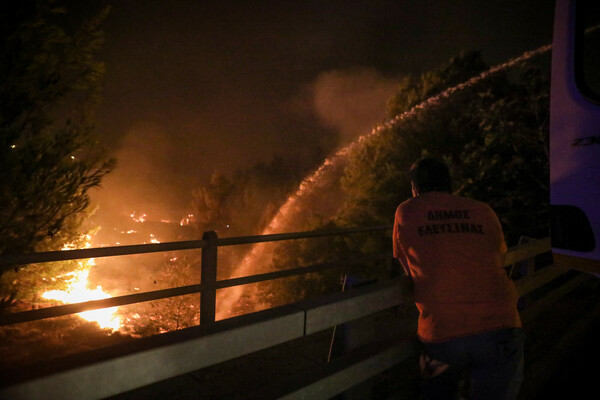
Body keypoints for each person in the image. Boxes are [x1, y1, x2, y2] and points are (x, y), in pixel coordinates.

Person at [392, 158, 524, 400]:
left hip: (441, 334)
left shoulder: (406, 211)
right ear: (450, 184)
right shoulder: (483, 209)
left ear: (414, 188)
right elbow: (498, 254)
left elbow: (408, 267)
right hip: (500, 325)